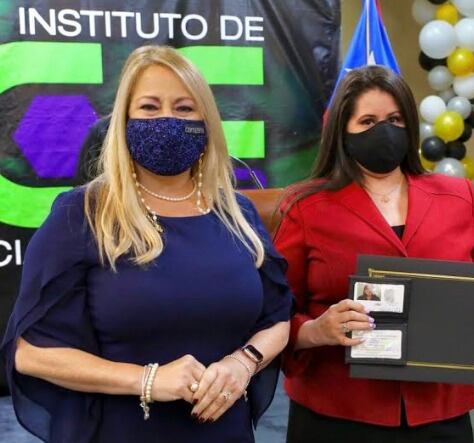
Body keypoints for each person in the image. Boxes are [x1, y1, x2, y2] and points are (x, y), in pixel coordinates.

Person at [1, 45, 293, 443]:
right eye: (150, 107)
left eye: (185, 108)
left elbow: (277, 318)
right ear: (124, 120)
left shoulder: (237, 212)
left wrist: (244, 362)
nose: (168, 120)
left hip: (227, 431)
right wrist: (148, 380)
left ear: (207, 121)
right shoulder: (83, 214)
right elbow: (29, 353)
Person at [273, 65, 474, 443]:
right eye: (368, 121)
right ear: (342, 131)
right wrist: (315, 331)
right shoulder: (306, 206)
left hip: (439, 411)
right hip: (337, 411)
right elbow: (275, 312)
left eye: (394, 119)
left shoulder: (458, 196)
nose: (384, 131)